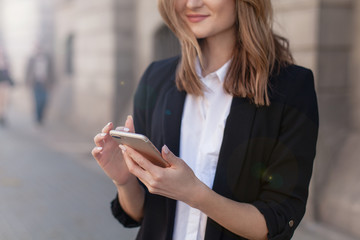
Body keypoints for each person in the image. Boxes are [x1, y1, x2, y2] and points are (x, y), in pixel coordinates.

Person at [92, 0, 319, 239]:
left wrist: (195, 194)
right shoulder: (155, 78)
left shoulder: (291, 88)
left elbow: (277, 220)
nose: (192, 3)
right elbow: (142, 214)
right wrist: (125, 180)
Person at [25, 45, 54, 125]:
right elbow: (27, 71)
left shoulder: (48, 59)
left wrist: (52, 82)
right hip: (35, 83)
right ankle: (37, 119)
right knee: (37, 101)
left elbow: (52, 71)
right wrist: (27, 82)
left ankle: (41, 117)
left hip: (45, 83)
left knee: (44, 101)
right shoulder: (32, 59)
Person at [0, 46, 14, 126]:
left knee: (5, 102)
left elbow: (9, 74)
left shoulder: (6, 62)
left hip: (5, 86)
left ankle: (3, 116)